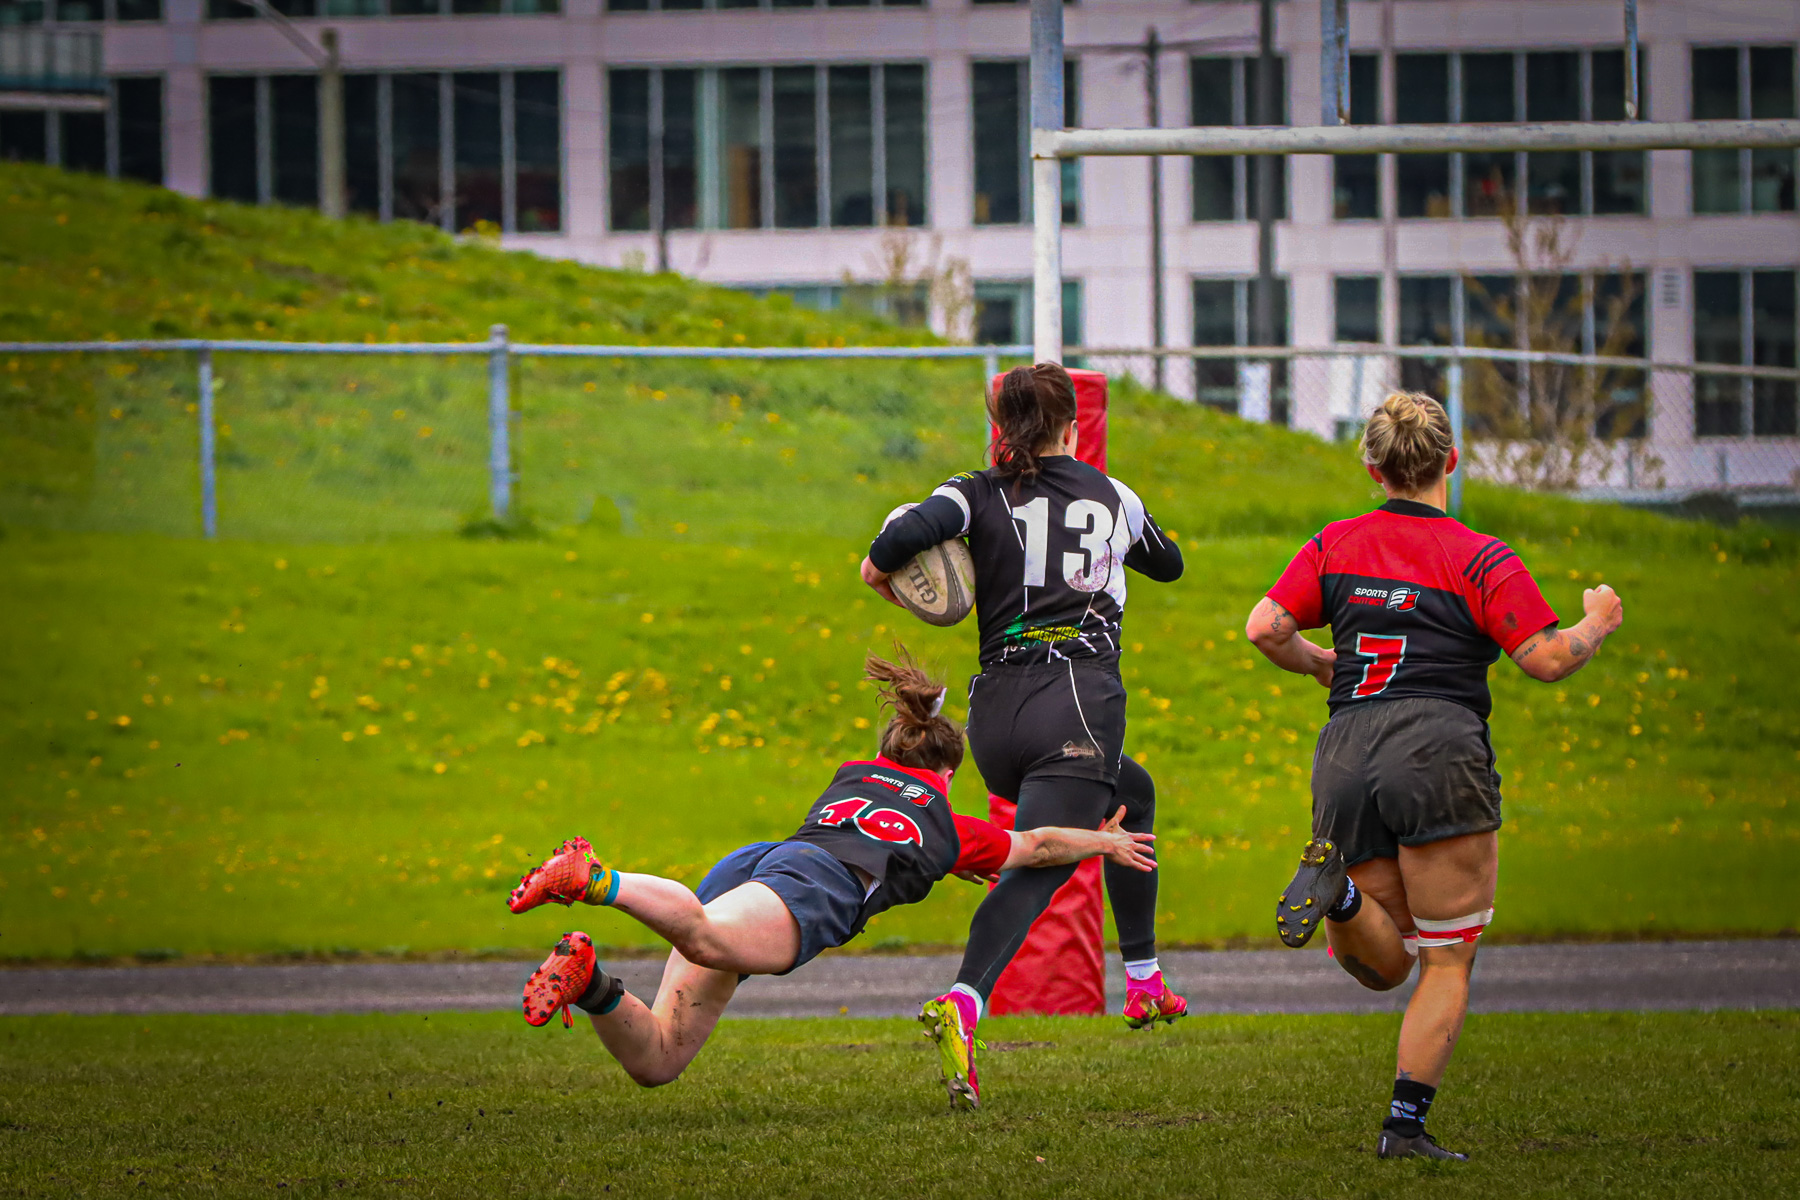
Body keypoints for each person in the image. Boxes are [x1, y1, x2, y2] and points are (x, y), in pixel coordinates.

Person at [1245, 391, 1624, 1161]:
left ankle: (1342, 893)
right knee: (1446, 956)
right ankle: (1404, 1128)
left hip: (1347, 747)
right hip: (1439, 747)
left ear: (1373, 467)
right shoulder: (1480, 555)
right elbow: (1545, 659)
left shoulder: (1336, 544)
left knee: (1388, 962)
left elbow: (1264, 628)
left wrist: (1318, 659)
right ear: (1451, 460)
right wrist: (1597, 621)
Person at [508, 651, 1157, 1094]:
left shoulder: (862, 775)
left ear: (889, 751)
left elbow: (894, 826)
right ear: (947, 777)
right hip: (814, 887)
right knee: (703, 936)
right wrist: (1104, 844)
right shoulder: (948, 824)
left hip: (764, 862)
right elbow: (1039, 844)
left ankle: (587, 978)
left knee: (660, 1058)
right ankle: (595, 880)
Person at [859, 362, 1186, 1110]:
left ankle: (1143, 981)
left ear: (998, 431)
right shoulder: (1113, 496)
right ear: (1075, 425)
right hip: (1073, 699)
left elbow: (908, 534)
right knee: (1041, 865)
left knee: (1132, 794)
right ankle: (963, 1002)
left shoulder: (970, 491)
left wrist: (880, 572)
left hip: (995, 717)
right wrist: (1112, 529)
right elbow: (1168, 565)